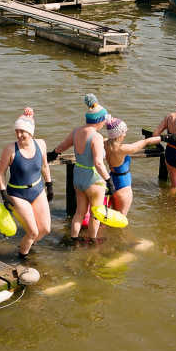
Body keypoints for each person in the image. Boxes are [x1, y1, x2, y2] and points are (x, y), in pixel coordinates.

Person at [49, 94, 115, 242]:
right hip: (93, 179)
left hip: (78, 176)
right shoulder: (96, 137)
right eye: (103, 120)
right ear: (98, 120)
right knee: (95, 214)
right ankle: (92, 242)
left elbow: (64, 144)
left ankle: (73, 240)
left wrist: (54, 153)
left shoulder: (76, 131)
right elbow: (98, 162)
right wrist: (109, 180)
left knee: (79, 212)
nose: (104, 123)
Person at [0, 107, 53, 258]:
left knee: (45, 229)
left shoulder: (41, 144)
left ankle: (27, 244)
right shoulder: (10, 149)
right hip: (17, 193)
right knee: (33, 231)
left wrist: (49, 186)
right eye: (17, 131)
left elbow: (44, 166)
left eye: (23, 132)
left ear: (31, 132)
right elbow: (1, 174)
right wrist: (4, 194)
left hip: (37, 189)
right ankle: (21, 258)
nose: (19, 135)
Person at [104, 117, 161, 216]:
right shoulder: (122, 149)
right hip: (123, 187)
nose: (125, 135)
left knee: (108, 217)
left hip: (111, 182)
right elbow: (145, 142)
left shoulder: (104, 143)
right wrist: (164, 138)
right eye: (123, 132)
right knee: (121, 220)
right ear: (118, 134)